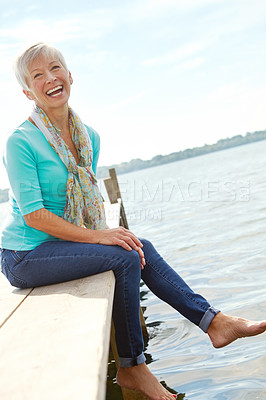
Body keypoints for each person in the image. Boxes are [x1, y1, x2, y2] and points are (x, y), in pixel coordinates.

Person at [0, 43, 265, 400]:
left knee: (137, 245)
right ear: (27, 91)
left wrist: (104, 236)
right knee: (122, 255)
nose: (50, 78)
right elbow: (34, 214)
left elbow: (84, 199)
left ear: (70, 74)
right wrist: (98, 237)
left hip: (63, 246)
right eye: (37, 76)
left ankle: (213, 322)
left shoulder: (88, 137)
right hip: (25, 255)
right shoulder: (21, 141)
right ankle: (133, 366)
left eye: (55, 67)